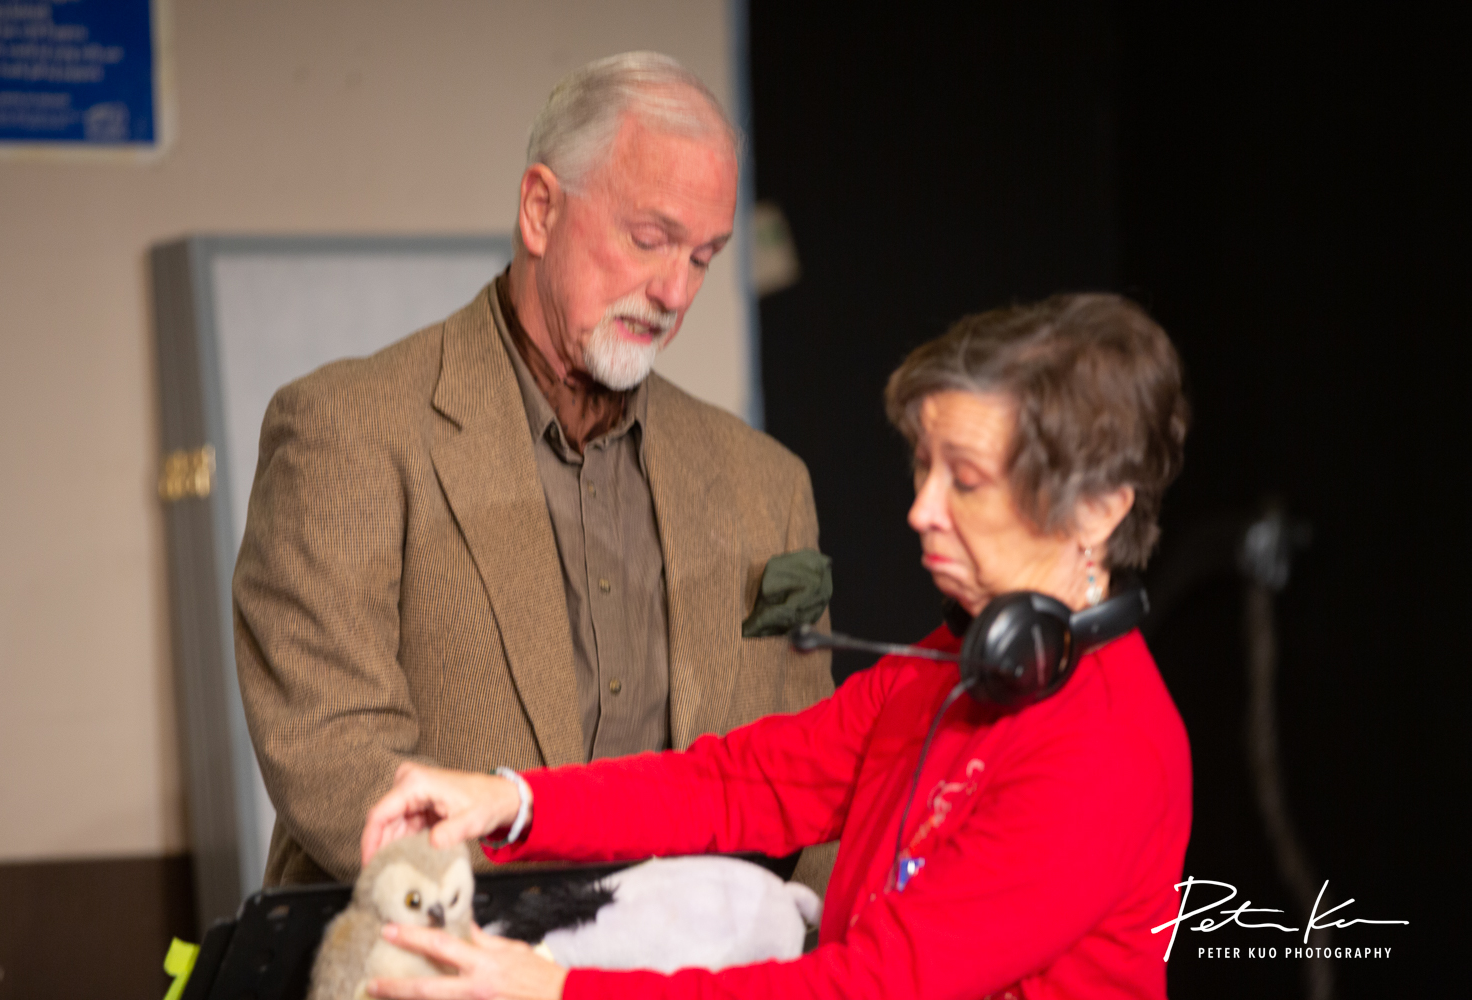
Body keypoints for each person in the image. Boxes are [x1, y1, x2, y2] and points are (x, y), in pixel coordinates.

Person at [356, 293, 1195, 999]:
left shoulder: (1106, 749)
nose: (921, 509)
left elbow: (870, 987)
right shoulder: (948, 666)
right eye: (923, 467)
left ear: (1097, 511)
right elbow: (740, 783)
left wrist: (560, 990)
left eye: (965, 480)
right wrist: (510, 802)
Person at [233, 52, 834, 888]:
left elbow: (810, 776)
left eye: (703, 257)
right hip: (438, 944)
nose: (675, 292)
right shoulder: (349, 432)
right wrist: (545, 940)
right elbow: (339, 758)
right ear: (541, 210)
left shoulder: (768, 485)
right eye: (650, 239)